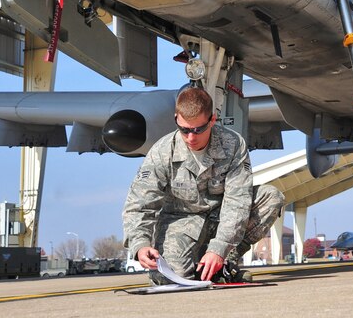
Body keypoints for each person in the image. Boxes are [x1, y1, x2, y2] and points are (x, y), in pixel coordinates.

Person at [122, 86, 285, 283]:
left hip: (221, 216)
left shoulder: (232, 144)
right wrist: (140, 244)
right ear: (176, 120)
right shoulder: (162, 152)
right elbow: (139, 204)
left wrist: (219, 249)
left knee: (271, 197)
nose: (191, 137)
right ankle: (202, 266)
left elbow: (238, 202)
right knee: (172, 277)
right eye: (184, 129)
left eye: (198, 129)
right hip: (181, 221)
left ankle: (223, 263)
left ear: (212, 120)